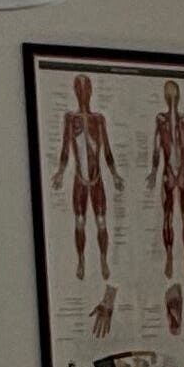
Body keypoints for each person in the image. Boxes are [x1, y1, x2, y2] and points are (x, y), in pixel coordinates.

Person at [47, 72, 120, 280]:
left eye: (86, 88)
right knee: (79, 221)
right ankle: (81, 259)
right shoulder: (71, 119)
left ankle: (103, 259)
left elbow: (107, 151)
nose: (83, 93)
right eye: (79, 89)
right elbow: (65, 150)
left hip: (97, 180)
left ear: (90, 91)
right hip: (80, 179)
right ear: (75, 92)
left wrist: (114, 175)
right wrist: (61, 172)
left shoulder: (99, 119)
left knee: (101, 221)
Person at [149, 77, 184, 278]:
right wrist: (154, 171)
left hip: (183, 172)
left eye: (174, 94)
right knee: (168, 216)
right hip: (168, 173)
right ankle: (170, 255)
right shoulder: (160, 119)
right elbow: (156, 145)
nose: (172, 98)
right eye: (168, 94)